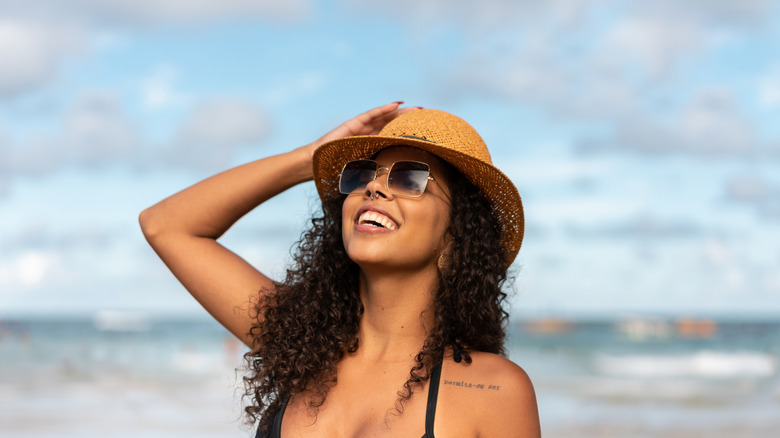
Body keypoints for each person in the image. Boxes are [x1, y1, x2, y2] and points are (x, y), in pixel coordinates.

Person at [139, 102, 541, 437]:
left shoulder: (493, 391)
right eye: (363, 174)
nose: (374, 187)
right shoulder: (299, 342)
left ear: (456, 236)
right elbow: (166, 225)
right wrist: (310, 157)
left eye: (409, 178)